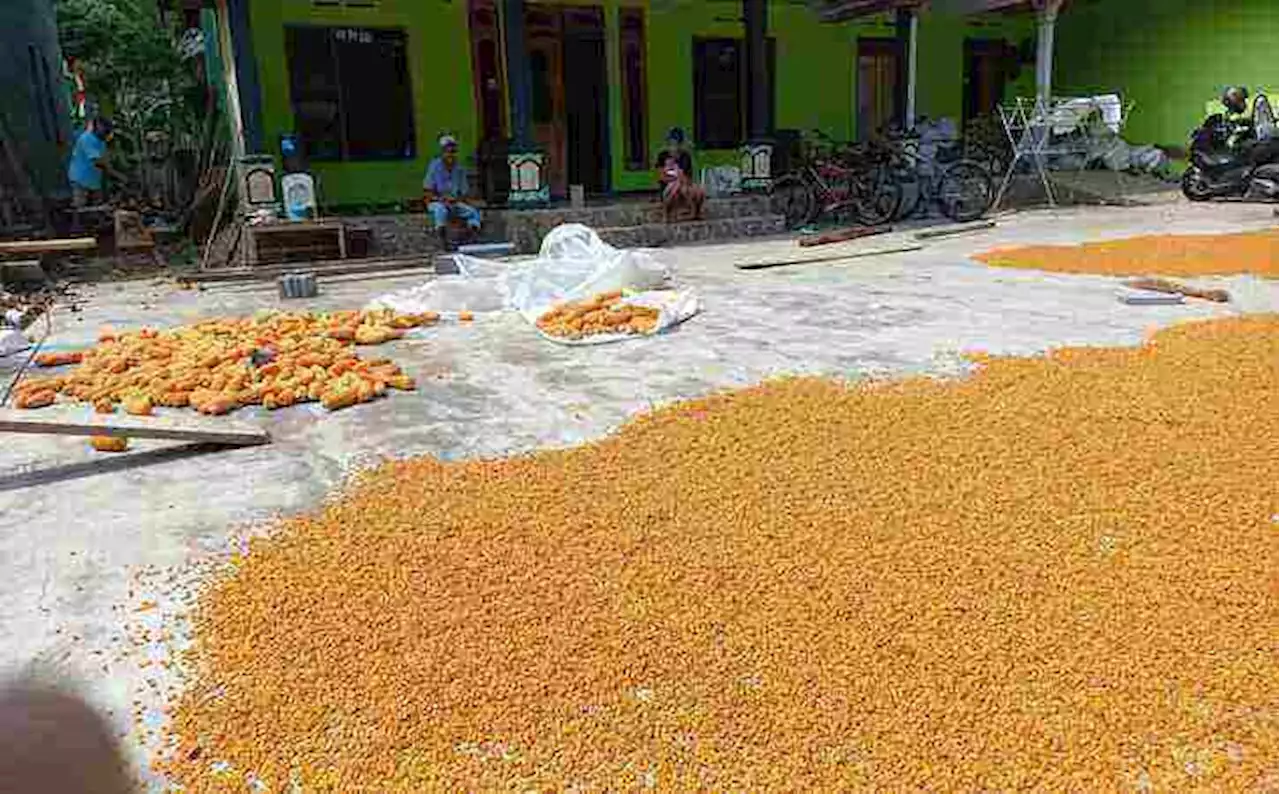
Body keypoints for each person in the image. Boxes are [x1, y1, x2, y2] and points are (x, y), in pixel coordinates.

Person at [423, 135, 481, 251]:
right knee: (441, 210)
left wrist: (456, 201)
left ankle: (470, 238)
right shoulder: (434, 166)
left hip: (454, 202)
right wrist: (442, 199)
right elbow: (427, 191)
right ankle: (443, 241)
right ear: (442, 152)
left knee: (473, 212)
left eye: (453, 151)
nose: (450, 155)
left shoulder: (459, 168)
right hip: (437, 202)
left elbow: (464, 192)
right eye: (447, 151)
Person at [654, 127, 706, 222]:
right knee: (675, 187)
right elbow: (662, 176)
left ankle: (695, 212)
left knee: (699, 191)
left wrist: (680, 178)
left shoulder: (685, 156)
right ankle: (667, 214)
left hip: (683, 184)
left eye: (676, 143)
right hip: (668, 186)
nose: (673, 146)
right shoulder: (662, 156)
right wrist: (674, 180)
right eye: (671, 143)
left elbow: (687, 177)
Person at [67, 118, 114, 208]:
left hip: (93, 180)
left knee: (97, 207)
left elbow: (104, 159)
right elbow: (97, 161)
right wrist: (117, 174)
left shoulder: (101, 141)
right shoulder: (87, 139)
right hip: (81, 179)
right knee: (80, 206)